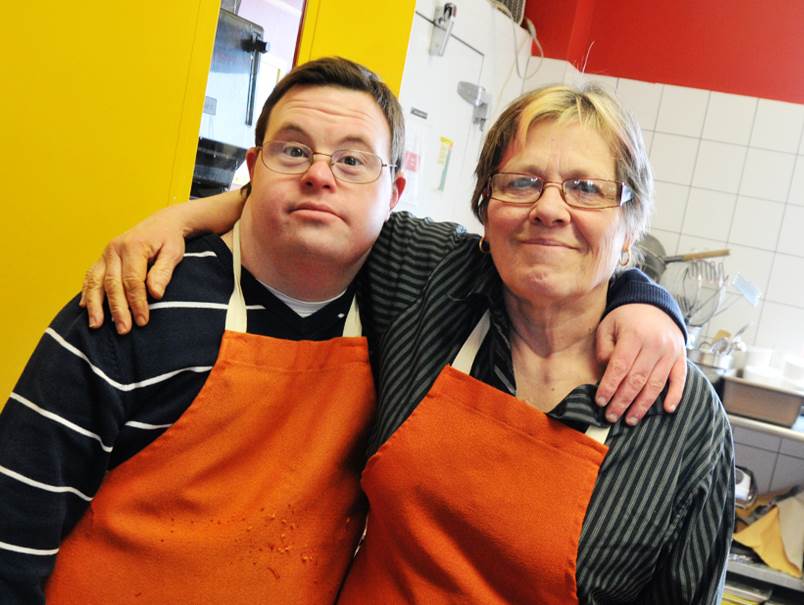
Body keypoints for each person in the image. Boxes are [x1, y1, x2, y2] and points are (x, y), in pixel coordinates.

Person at [0, 58, 685, 604]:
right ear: (253, 165)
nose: (320, 176)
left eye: (354, 160)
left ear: (395, 194)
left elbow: (552, 262)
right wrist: (178, 218)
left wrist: (646, 298)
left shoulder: (407, 301)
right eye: (293, 151)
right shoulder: (139, 298)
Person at [333, 85, 735, 603]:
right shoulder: (431, 280)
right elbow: (310, 204)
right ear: (485, 208)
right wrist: (194, 217)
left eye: (586, 189)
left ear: (630, 227)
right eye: (522, 183)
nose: (549, 209)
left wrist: (653, 301)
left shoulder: (682, 416)